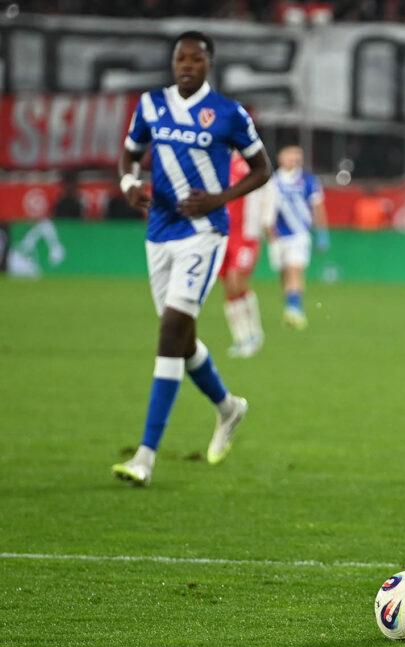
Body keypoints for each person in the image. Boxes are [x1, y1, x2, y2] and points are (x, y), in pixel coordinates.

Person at [112, 31, 271, 486]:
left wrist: (219, 198)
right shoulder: (151, 105)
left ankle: (145, 456)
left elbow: (262, 169)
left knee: (169, 333)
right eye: (180, 58)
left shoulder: (228, 113)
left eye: (195, 59)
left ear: (208, 64)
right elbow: (129, 156)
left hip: (204, 234)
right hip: (159, 233)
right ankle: (228, 407)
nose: (186, 65)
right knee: (182, 340)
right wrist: (129, 185)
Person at [264, 145, 328, 330]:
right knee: (284, 274)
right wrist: (269, 235)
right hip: (278, 237)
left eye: (296, 156)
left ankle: (295, 311)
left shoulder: (308, 180)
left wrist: (322, 232)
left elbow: (317, 206)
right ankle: (290, 307)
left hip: (299, 234)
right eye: (290, 155)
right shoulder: (272, 182)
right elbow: (266, 210)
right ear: (280, 158)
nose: (294, 159)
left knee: (295, 270)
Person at [220, 151, 271, 358]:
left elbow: (267, 191)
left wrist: (265, 223)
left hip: (245, 234)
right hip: (222, 234)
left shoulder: (250, 163)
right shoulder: (217, 161)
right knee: (228, 287)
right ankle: (240, 338)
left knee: (237, 281)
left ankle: (254, 333)